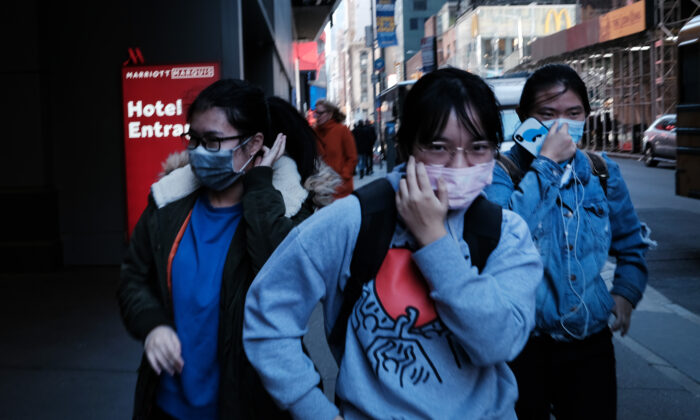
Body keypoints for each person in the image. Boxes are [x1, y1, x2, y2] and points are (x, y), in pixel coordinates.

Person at [243, 68, 543, 419]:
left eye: (478, 148)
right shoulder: (355, 220)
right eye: (438, 147)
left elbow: (497, 344)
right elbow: (268, 313)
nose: (459, 165)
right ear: (405, 148)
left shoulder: (506, 232)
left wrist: (434, 240)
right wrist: (313, 411)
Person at [117, 79, 338, 420]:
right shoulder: (168, 204)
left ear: (254, 144)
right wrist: (153, 324)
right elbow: (134, 277)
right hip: (165, 407)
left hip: (247, 406)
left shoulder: (288, 212)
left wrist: (260, 186)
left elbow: (283, 284)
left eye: (212, 141)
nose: (199, 152)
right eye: (194, 139)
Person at [484, 63, 649, 419]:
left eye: (573, 113)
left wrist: (626, 293)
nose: (561, 124)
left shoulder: (602, 172)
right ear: (525, 119)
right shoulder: (501, 172)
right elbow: (500, 237)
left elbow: (631, 244)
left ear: (586, 117)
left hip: (589, 345)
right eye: (547, 114)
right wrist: (546, 163)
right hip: (522, 348)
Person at [313, 99, 358, 197]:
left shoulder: (342, 130)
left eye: (320, 113)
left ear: (330, 114)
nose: (317, 116)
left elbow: (352, 158)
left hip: (341, 189)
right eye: (316, 113)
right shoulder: (314, 132)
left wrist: (343, 177)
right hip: (321, 189)